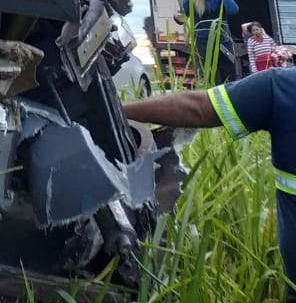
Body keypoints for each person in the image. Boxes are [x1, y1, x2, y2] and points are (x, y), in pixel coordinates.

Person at [123, 67, 296, 299]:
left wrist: (117, 110)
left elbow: (198, 107)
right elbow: (197, 107)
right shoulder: (281, 87)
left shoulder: (284, 87)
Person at [174, 0, 239, 82]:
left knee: (228, 75)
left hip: (223, 41)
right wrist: (177, 17)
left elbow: (233, 10)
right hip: (203, 43)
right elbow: (183, 17)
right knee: (208, 76)